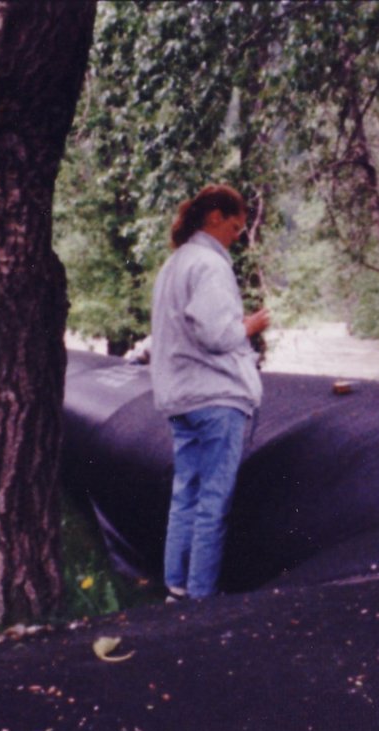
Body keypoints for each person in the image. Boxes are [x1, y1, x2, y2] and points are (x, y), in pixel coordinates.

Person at [149, 184, 269, 601]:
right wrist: (250, 327)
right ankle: (201, 597)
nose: (237, 238)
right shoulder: (209, 264)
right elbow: (217, 334)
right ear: (214, 217)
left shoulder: (174, 265)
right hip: (215, 397)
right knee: (213, 500)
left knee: (186, 495)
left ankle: (175, 587)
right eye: (235, 227)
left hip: (178, 396)